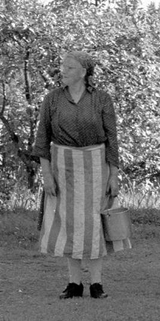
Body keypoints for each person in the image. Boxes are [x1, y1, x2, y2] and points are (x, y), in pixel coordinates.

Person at [32, 50, 129, 299]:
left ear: (84, 72)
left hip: (97, 165)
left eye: (70, 67)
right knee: (68, 223)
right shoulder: (52, 99)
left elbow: (112, 140)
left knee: (95, 223)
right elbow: (42, 140)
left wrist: (114, 175)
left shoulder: (102, 99)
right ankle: (74, 284)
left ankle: (96, 284)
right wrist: (47, 176)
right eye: (63, 66)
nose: (62, 71)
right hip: (62, 166)